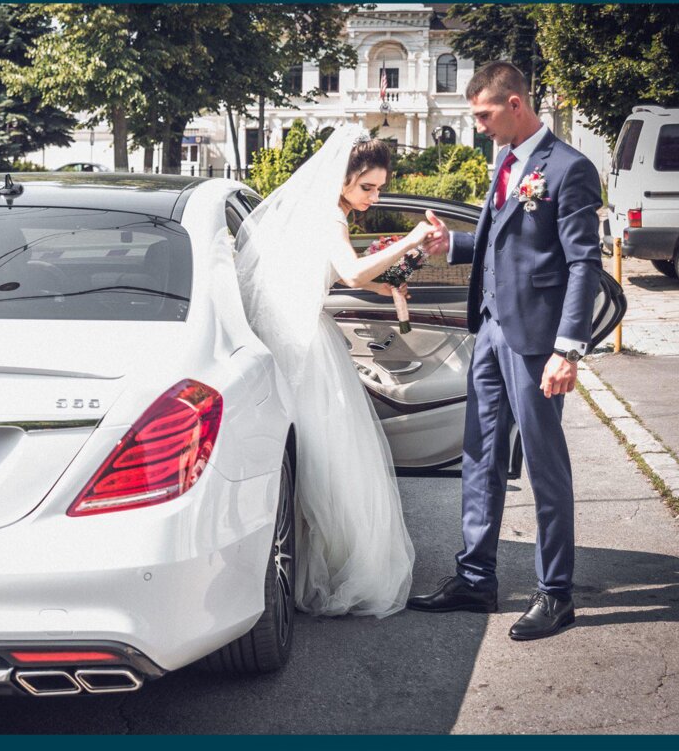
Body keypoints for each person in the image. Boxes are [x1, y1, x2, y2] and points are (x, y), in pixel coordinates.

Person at [409, 62, 603, 641]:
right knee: (479, 455)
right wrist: (453, 243)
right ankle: (476, 579)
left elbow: (583, 264)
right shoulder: (504, 162)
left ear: (515, 103)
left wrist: (568, 349)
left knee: (544, 465)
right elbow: (501, 242)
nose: (479, 126)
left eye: (484, 114)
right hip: (491, 330)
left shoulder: (569, 168)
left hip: (539, 342)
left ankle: (556, 593)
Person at [236, 126, 444, 617]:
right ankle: (324, 568)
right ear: (343, 178)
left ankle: (291, 566)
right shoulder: (331, 215)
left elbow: (321, 272)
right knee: (326, 458)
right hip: (306, 346)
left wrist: (384, 283)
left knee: (308, 456)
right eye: (367, 187)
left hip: (290, 337)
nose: (374, 197)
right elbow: (349, 272)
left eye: (379, 188)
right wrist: (413, 238)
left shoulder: (318, 213)